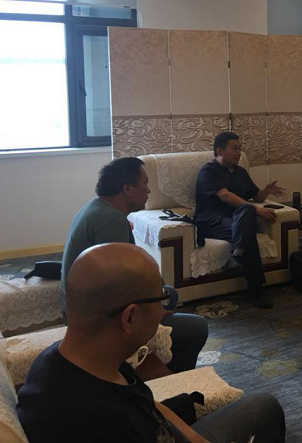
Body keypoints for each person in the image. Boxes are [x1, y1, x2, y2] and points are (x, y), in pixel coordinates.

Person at [18, 243, 286, 443]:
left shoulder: (81, 358)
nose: (164, 310)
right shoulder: (96, 423)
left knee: (259, 406)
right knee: (265, 407)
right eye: (161, 298)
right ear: (130, 317)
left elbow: (147, 404)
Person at [61, 157, 208, 373]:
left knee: (169, 294)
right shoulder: (111, 221)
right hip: (96, 321)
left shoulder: (99, 208)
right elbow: (117, 287)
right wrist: (153, 311)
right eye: (145, 183)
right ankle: (170, 381)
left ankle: (155, 363)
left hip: (86, 307)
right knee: (196, 327)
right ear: (127, 189)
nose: (149, 190)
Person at [194, 132, 285, 309]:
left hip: (235, 220)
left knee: (246, 213)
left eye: (240, 149)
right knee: (247, 223)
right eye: (234, 149)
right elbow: (225, 195)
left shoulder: (240, 172)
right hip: (211, 221)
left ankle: (236, 255)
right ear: (220, 151)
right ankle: (256, 290)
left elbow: (256, 196)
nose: (239, 153)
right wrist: (256, 209)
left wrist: (266, 191)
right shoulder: (209, 171)